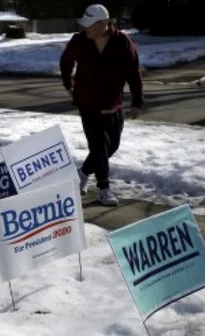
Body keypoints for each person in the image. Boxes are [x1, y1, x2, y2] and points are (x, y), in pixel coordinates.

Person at [59, 4, 144, 206]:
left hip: (113, 103)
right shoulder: (79, 41)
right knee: (99, 146)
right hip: (87, 103)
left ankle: (83, 172)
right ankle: (104, 188)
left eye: (89, 25)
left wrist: (137, 101)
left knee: (111, 146)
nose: (85, 28)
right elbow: (66, 62)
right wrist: (68, 85)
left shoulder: (122, 42)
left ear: (103, 24)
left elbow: (133, 71)